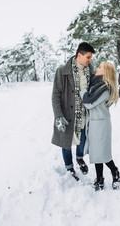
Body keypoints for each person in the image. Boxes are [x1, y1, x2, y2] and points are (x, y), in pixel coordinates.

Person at [51, 42, 95, 181]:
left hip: (84, 114)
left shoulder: (90, 70)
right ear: (79, 55)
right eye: (88, 57)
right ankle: (69, 167)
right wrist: (58, 116)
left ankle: (80, 158)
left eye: (91, 57)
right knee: (66, 144)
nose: (90, 60)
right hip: (67, 115)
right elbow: (55, 95)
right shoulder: (62, 71)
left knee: (82, 138)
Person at [80, 62, 120, 190]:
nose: (97, 68)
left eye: (100, 67)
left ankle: (115, 173)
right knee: (96, 153)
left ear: (105, 72)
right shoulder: (96, 84)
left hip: (101, 125)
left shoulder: (105, 88)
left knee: (103, 154)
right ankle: (100, 179)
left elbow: (89, 103)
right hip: (93, 123)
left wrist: (83, 91)